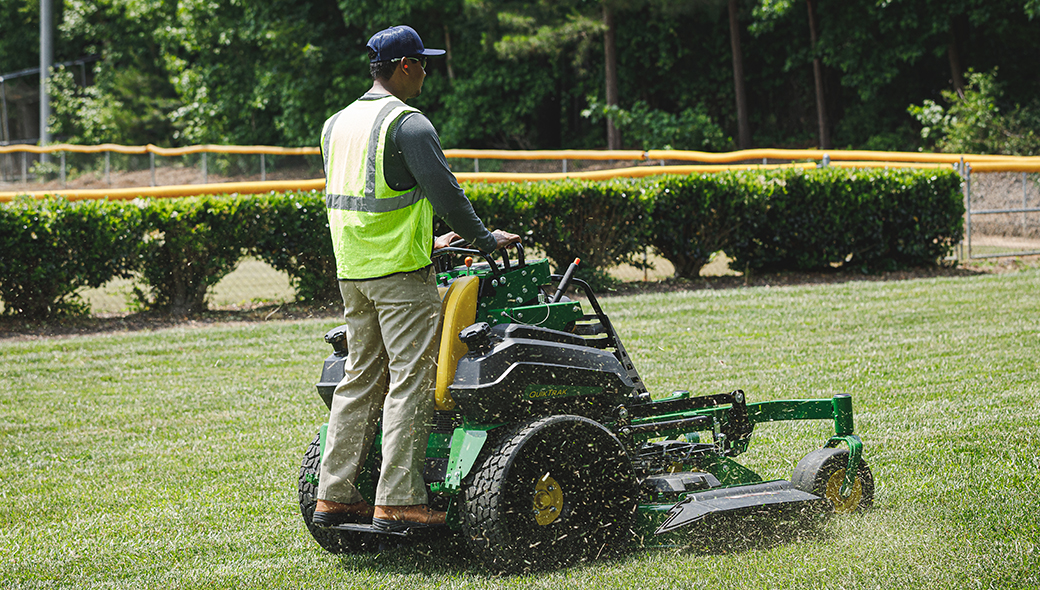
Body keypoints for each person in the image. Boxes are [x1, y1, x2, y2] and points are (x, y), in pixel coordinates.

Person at [314, 25, 519, 532]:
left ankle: (335, 495)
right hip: (401, 277)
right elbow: (449, 197)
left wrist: (429, 242)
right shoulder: (409, 125)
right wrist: (486, 239)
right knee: (411, 379)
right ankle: (399, 500)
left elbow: (364, 204)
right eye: (423, 63)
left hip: (353, 274)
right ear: (405, 66)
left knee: (360, 379)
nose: (427, 72)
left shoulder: (336, 123)